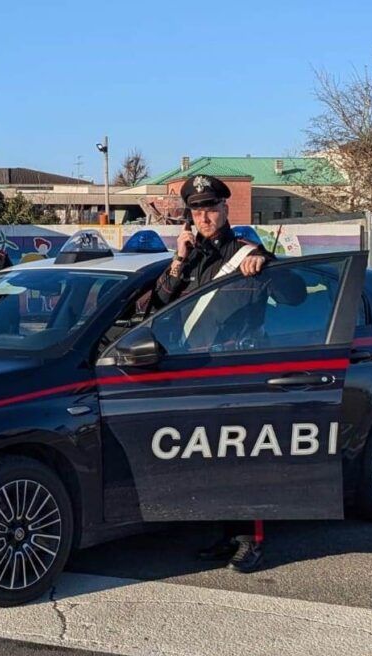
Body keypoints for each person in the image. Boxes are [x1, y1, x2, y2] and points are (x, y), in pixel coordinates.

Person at [153, 174, 273, 574]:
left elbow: (291, 294)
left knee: (241, 459)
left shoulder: (247, 252)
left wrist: (266, 264)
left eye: (211, 208)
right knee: (212, 459)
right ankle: (225, 535)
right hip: (195, 371)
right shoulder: (191, 256)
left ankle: (250, 540)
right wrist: (177, 259)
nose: (204, 217)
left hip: (236, 371)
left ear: (225, 209)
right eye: (197, 210)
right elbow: (158, 303)